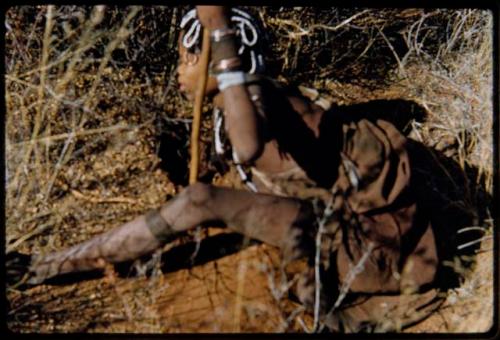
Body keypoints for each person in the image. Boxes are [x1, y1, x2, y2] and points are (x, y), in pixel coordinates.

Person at [15, 6, 479, 332]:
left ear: (221, 60)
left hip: (376, 250)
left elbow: (251, 147)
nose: (182, 68)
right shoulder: (238, 103)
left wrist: (218, 32)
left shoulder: (260, 99)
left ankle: (45, 267)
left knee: (200, 202)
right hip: (332, 228)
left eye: (189, 56)